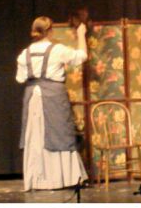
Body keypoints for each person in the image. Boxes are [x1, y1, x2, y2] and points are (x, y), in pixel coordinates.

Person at [16, 16, 89, 191]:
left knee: (36, 136)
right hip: (53, 96)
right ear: (50, 31)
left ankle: (37, 180)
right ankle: (61, 179)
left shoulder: (24, 54)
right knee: (59, 133)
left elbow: (20, 79)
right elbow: (82, 56)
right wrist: (81, 34)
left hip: (33, 96)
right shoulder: (57, 50)